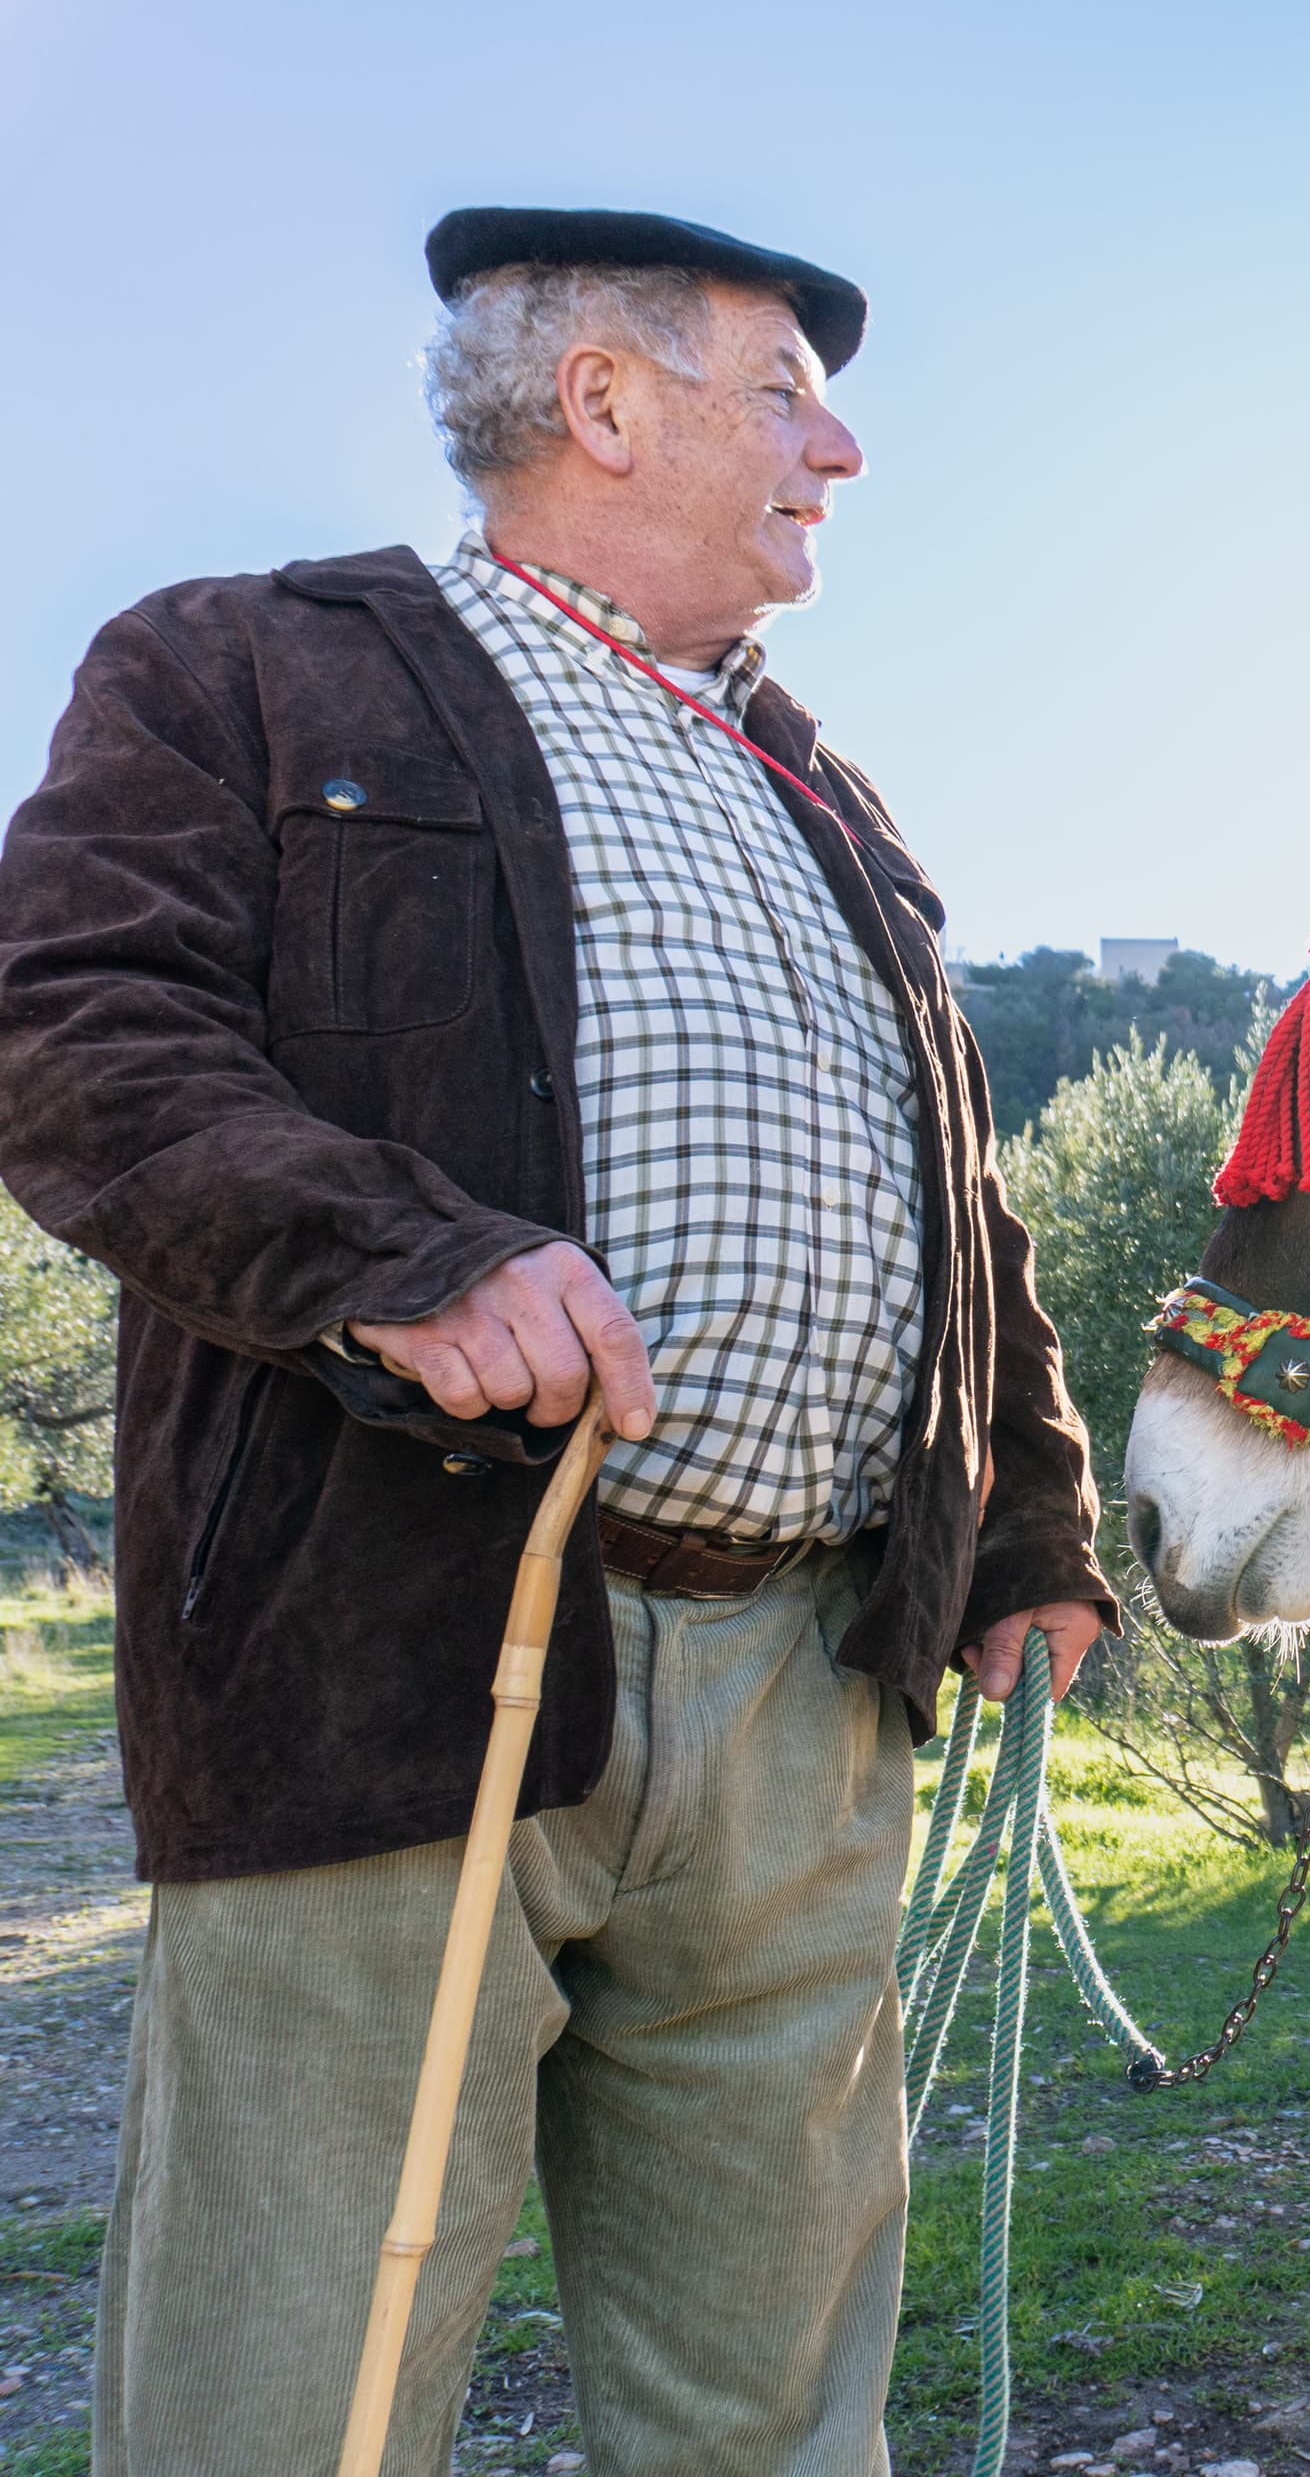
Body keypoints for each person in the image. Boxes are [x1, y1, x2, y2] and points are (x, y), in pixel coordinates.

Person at [0, 207, 1114, 2474]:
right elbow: (75, 1020)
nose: (845, 445)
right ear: (601, 403)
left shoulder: (829, 789)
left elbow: (956, 1200)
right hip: (401, 1651)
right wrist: (394, 1248)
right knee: (287, 2397)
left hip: (811, 1690)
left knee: (774, 2412)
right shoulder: (250, 666)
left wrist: (1028, 1525)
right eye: (787, 385)